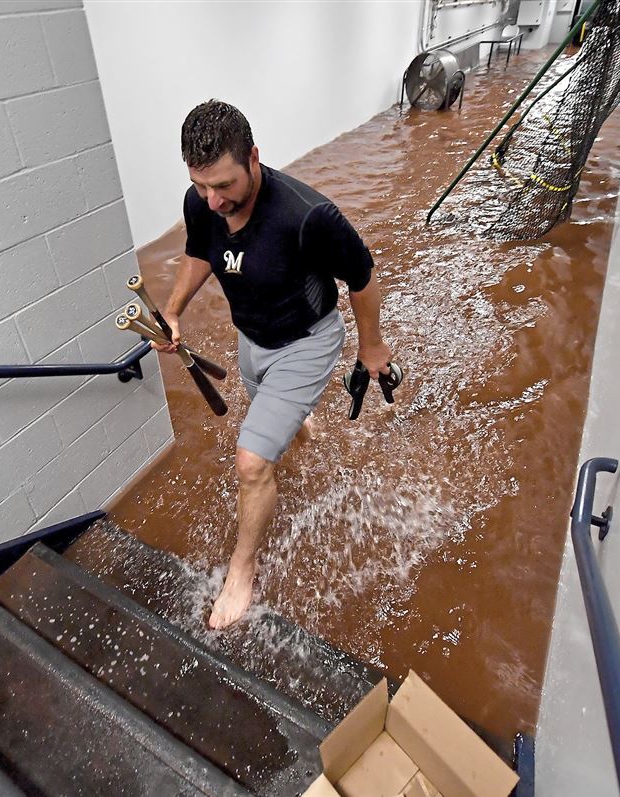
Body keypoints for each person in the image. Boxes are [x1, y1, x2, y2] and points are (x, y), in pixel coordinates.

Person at [152, 100, 393, 629]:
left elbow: (363, 276)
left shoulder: (309, 216)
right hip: (251, 339)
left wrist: (370, 348)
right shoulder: (203, 204)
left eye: (224, 185)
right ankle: (297, 419)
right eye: (200, 185)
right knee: (279, 429)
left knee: (251, 462)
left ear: (254, 157)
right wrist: (172, 312)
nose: (213, 199)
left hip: (305, 343)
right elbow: (199, 252)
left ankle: (243, 570)